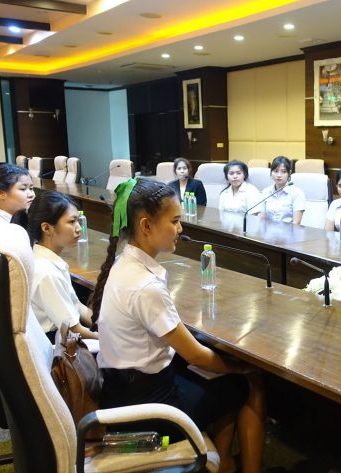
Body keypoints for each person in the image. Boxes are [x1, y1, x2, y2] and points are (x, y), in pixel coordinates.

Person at [92, 178, 264, 473]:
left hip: (121, 391)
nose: (181, 228)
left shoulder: (123, 263)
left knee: (216, 376)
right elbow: (196, 355)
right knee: (244, 384)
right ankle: (232, 466)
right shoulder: (145, 285)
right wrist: (239, 367)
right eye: (174, 221)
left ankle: (221, 462)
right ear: (146, 226)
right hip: (149, 411)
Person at [14, 191, 96, 342]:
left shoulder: (44, 259)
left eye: (78, 221)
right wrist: (109, 338)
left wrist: (105, 327)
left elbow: (77, 306)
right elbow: (73, 329)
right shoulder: (47, 273)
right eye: (71, 222)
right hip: (54, 343)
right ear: (46, 228)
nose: (79, 228)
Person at [0, 164, 35, 230]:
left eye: (31, 188)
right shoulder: (0, 228)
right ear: (1, 193)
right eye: (23, 189)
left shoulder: (18, 221)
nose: (31, 194)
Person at [260, 156, 305, 225]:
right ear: (271, 173)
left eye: (283, 172)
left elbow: (296, 223)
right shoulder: (265, 192)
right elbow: (262, 219)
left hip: (289, 231)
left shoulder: (297, 193)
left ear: (289, 173)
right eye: (276, 171)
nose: (279, 175)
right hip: (268, 231)